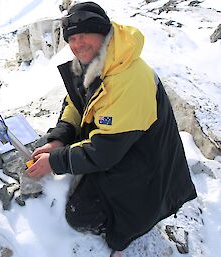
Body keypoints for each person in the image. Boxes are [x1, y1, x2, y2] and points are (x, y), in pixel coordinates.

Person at [27, 2, 197, 256]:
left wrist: (55, 162)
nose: (77, 44)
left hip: (146, 169)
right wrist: (59, 139)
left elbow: (104, 152)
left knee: (80, 214)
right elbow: (76, 103)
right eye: (72, 38)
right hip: (123, 150)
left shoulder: (129, 78)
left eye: (84, 34)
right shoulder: (99, 60)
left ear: (103, 32)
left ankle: (130, 231)